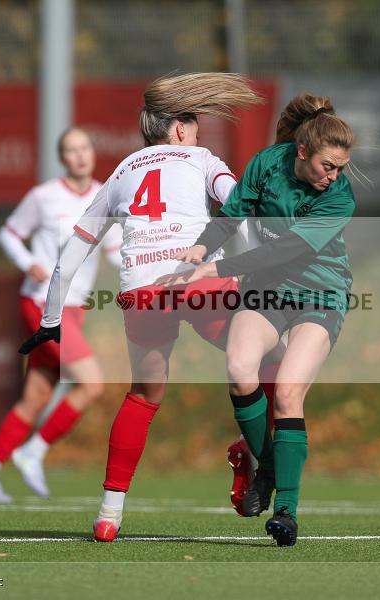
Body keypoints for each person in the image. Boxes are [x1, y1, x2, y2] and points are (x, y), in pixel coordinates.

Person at [18, 72, 281, 541]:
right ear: (180, 128)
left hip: (143, 293)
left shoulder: (121, 171)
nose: (197, 133)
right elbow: (239, 208)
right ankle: (257, 457)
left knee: (143, 395)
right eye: (195, 125)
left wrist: (51, 320)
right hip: (201, 285)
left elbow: (74, 250)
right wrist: (255, 270)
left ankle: (107, 515)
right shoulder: (202, 159)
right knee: (271, 363)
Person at [159, 95, 356, 546]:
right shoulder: (268, 163)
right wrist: (201, 248)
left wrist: (215, 269)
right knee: (240, 368)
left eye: (341, 167)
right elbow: (230, 216)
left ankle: (286, 511)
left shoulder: (339, 198)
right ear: (303, 152)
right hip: (266, 290)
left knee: (287, 393)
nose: (335, 176)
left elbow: (286, 250)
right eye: (329, 165)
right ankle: (265, 467)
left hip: (319, 294)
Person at [0, 127, 121, 504]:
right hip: (42, 303)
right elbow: (9, 233)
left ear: (92, 151)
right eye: (71, 150)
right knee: (92, 384)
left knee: (35, 397)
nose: (80, 155)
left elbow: (116, 254)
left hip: (76, 308)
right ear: (62, 158)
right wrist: (27, 261)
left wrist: (151, 273)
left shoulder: (108, 197)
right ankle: (33, 451)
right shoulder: (43, 197)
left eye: (84, 147)